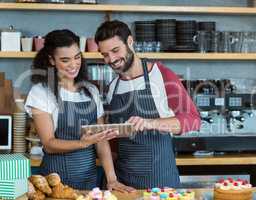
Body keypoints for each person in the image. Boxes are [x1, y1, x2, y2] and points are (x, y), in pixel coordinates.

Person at [94, 20, 201, 189]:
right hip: (123, 182)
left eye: (115, 50)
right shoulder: (112, 87)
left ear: (130, 42)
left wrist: (151, 123)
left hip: (159, 179)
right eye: (105, 55)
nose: (111, 59)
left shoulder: (162, 75)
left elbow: (193, 120)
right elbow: (113, 141)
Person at [25, 29, 134, 192]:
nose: (73, 65)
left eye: (77, 57)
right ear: (51, 60)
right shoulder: (41, 93)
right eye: (65, 60)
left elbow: (101, 139)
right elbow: (49, 144)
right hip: (55, 184)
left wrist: (112, 179)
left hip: (89, 183)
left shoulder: (90, 91)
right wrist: (83, 143)